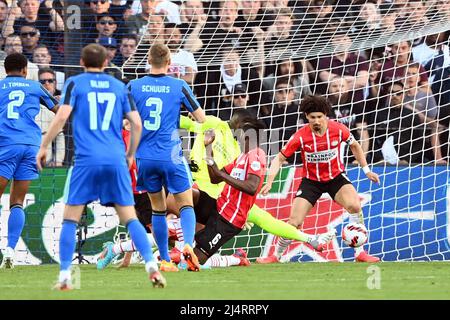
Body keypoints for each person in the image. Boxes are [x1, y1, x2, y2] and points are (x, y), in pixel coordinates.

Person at [36, 44, 165, 290]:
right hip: (116, 159)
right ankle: (151, 266)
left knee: (70, 220)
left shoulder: (76, 83)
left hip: (86, 161)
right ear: (106, 63)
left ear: (82, 63)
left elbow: (62, 116)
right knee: (130, 218)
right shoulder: (119, 86)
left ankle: (64, 276)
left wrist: (43, 146)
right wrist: (130, 154)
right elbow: (136, 123)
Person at [258, 95, 381, 264]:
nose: (316, 121)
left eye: (319, 117)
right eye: (312, 117)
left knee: (354, 205)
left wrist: (366, 170)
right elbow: (279, 158)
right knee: (294, 221)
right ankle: (275, 256)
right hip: (311, 182)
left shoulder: (338, 129)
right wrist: (270, 181)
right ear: (307, 117)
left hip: (335, 178)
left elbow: (355, 145)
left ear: (326, 116)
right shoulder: (300, 136)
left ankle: (359, 253)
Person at [128, 43, 206, 272]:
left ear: (148, 61)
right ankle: (188, 248)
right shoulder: (179, 85)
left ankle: (163, 259)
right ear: (169, 62)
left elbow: (126, 119)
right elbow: (200, 117)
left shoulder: (133, 86)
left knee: (158, 209)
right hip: (171, 154)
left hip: (145, 157)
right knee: (186, 206)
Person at [0, 53, 58, 268]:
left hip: (5, 145)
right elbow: (59, 110)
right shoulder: (35, 87)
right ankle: (10, 250)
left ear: (6, 70)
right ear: (25, 69)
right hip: (31, 147)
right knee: (17, 202)